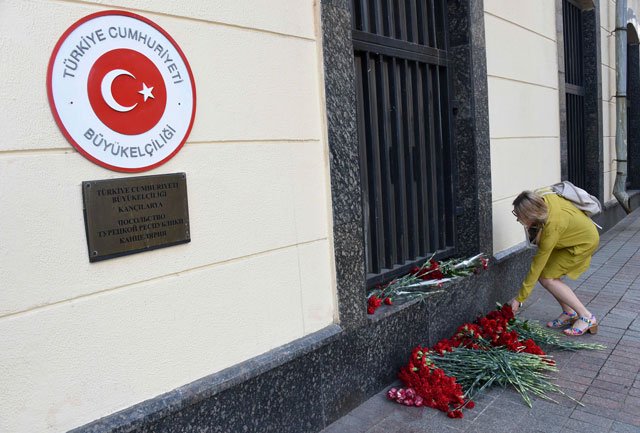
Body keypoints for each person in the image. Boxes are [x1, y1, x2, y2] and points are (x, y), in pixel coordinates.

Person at [508, 189, 599, 336]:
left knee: (546, 278)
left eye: (519, 216)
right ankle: (569, 313)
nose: (518, 219)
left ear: (530, 215)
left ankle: (587, 317)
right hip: (571, 237)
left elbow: (537, 265)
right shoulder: (542, 198)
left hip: (583, 243)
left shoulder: (553, 226)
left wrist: (520, 298)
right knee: (547, 277)